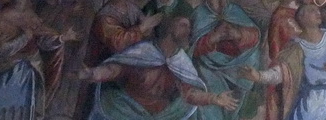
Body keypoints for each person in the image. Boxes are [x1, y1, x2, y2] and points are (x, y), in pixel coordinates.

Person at [79, 14, 239, 119]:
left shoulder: (181, 61)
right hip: (128, 111)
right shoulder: (145, 51)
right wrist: (94, 73)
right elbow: (116, 69)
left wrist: (214, 98)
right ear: (169, 27)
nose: (188, 30)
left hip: (160, 115)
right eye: (183, 25)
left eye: (189, 27)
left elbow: (189, 94)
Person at [0, 0, 80, 120]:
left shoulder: (31, 16)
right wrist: (23, 38)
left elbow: (43, 42)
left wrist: (62, 38)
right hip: (4, 69)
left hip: (32, 66)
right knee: (22, 72)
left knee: (27, 72)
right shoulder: (0, 19)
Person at [246, 4, 326, 120]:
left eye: (317, 10)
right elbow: (281, 74)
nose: (317, 13)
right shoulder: (295, 48)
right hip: (311, 102)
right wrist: (259, 76)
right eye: (311, 11)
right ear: (301, 18)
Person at [190, 0, 263, 120]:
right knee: (212, 100)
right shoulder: (199, 13)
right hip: (210, 68)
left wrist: (239, 34)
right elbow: (192, 48)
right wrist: (213, 37)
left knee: (235, 107)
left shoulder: (234, 10)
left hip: (237, 65)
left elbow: (255, 35)